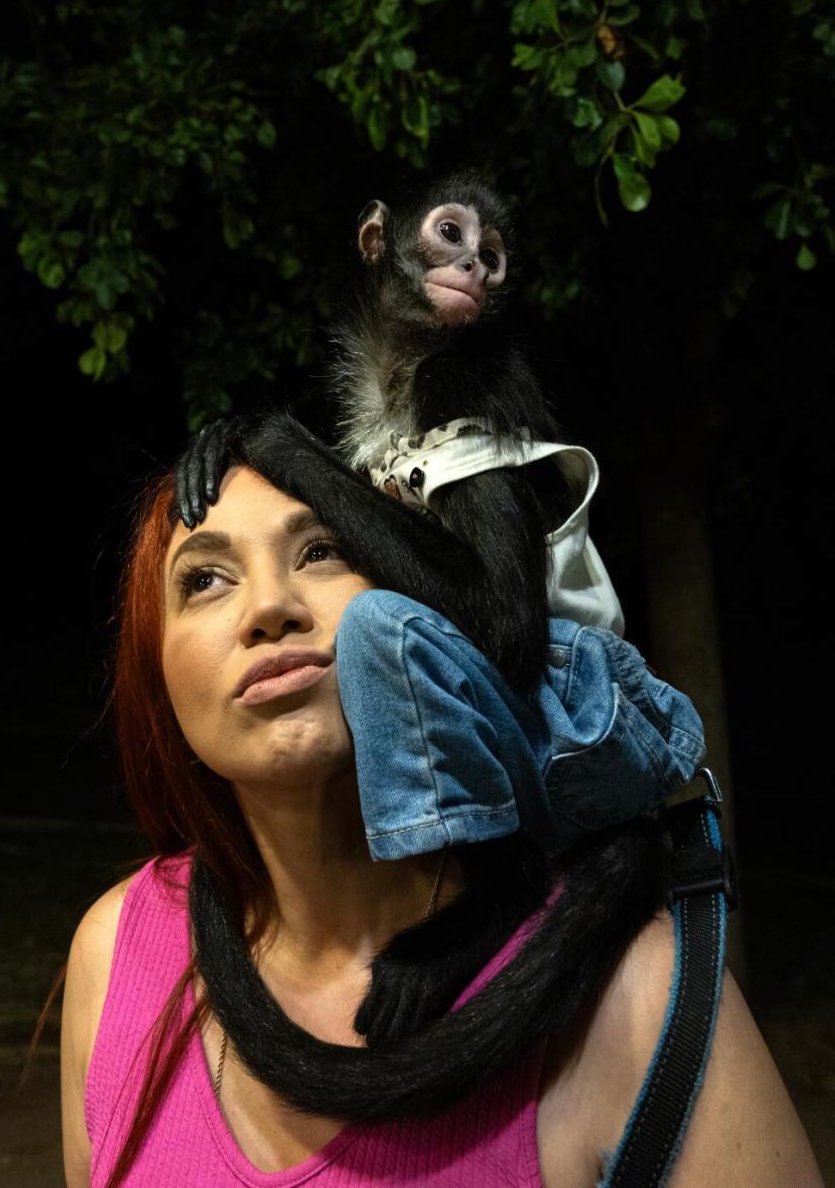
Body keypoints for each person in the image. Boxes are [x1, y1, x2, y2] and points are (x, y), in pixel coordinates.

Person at [60, 450, 821, 1187]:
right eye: (205, 579)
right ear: (157, 673)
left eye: (323, 550)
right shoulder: (115, 953)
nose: (269, 608)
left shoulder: (634, 990)